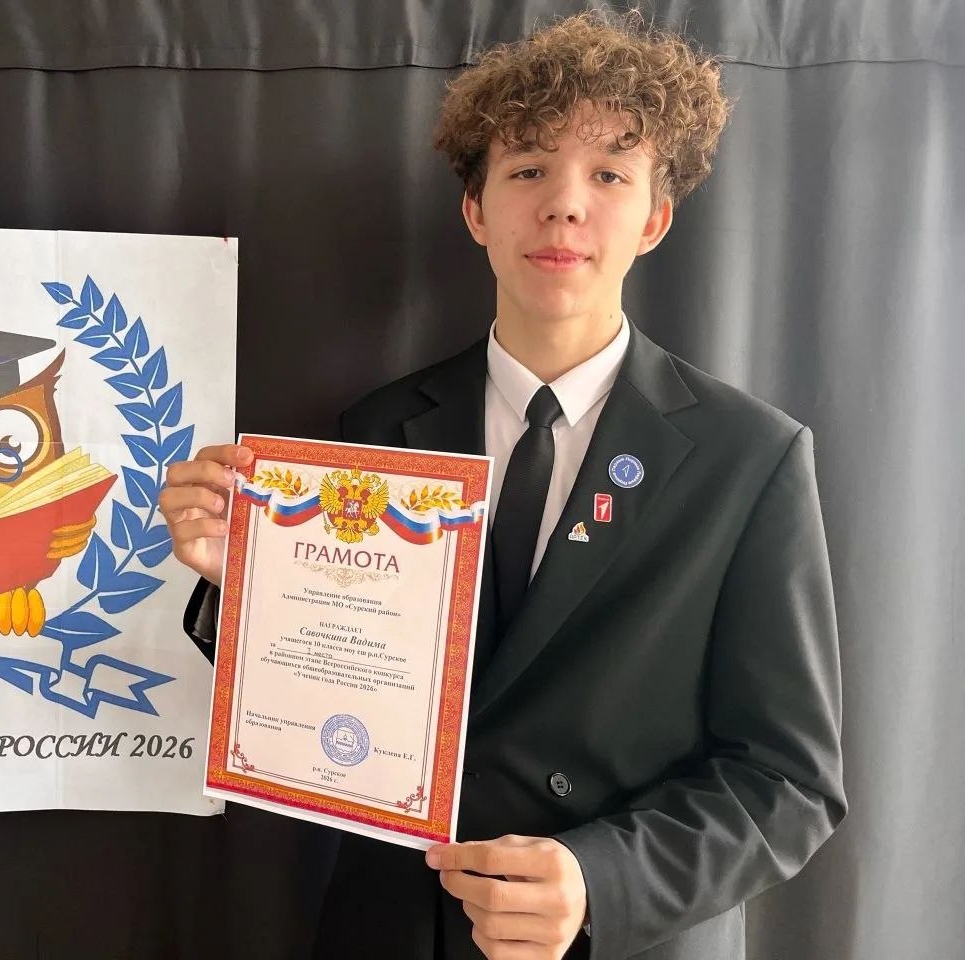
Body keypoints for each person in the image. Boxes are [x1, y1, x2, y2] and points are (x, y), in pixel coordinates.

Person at [161, 10, 845, 960]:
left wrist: (601, 879)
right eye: (528, 170)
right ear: (477, 211)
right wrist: (243, 583)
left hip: (614, 939)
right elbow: (337, 695)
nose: (564, 205)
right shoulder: (377, 430)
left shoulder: (749, 457)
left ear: (655, 219)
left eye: (609, 175)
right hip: (399, 927)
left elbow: (790, 782)